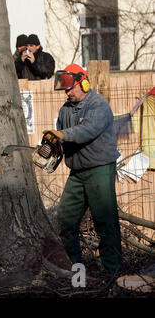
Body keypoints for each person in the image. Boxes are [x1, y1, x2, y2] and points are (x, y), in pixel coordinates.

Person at [45, 63, 122, 274]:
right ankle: (75, 271)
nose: (67, 92)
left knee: (105, 222)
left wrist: (62, 135)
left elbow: (86, 131)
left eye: (71, 88)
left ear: (84, 83)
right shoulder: (65, 110)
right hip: (77, 173)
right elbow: (62, 141)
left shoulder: (99, 106)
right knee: (65, 221)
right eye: (65, 89)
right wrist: (50, 152)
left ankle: (112, 272)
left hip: (99, 169)